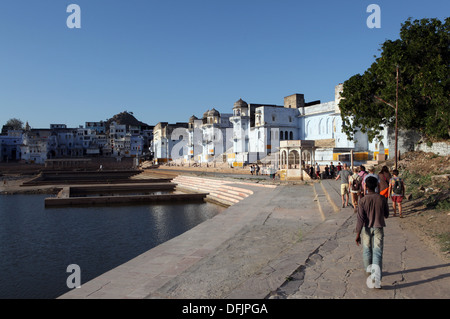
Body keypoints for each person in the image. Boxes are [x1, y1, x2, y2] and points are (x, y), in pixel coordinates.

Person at [355, 176, 389, 289]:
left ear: (365, 186)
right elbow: (386, 215)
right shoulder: (382, 198)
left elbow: (360, 219)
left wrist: (357, 234)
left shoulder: (362, 200)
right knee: (377, 252)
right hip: (379, 227)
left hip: (366, 229)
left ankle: (368, 270)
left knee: (367, 250)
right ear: (376, 186)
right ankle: (376, 278)